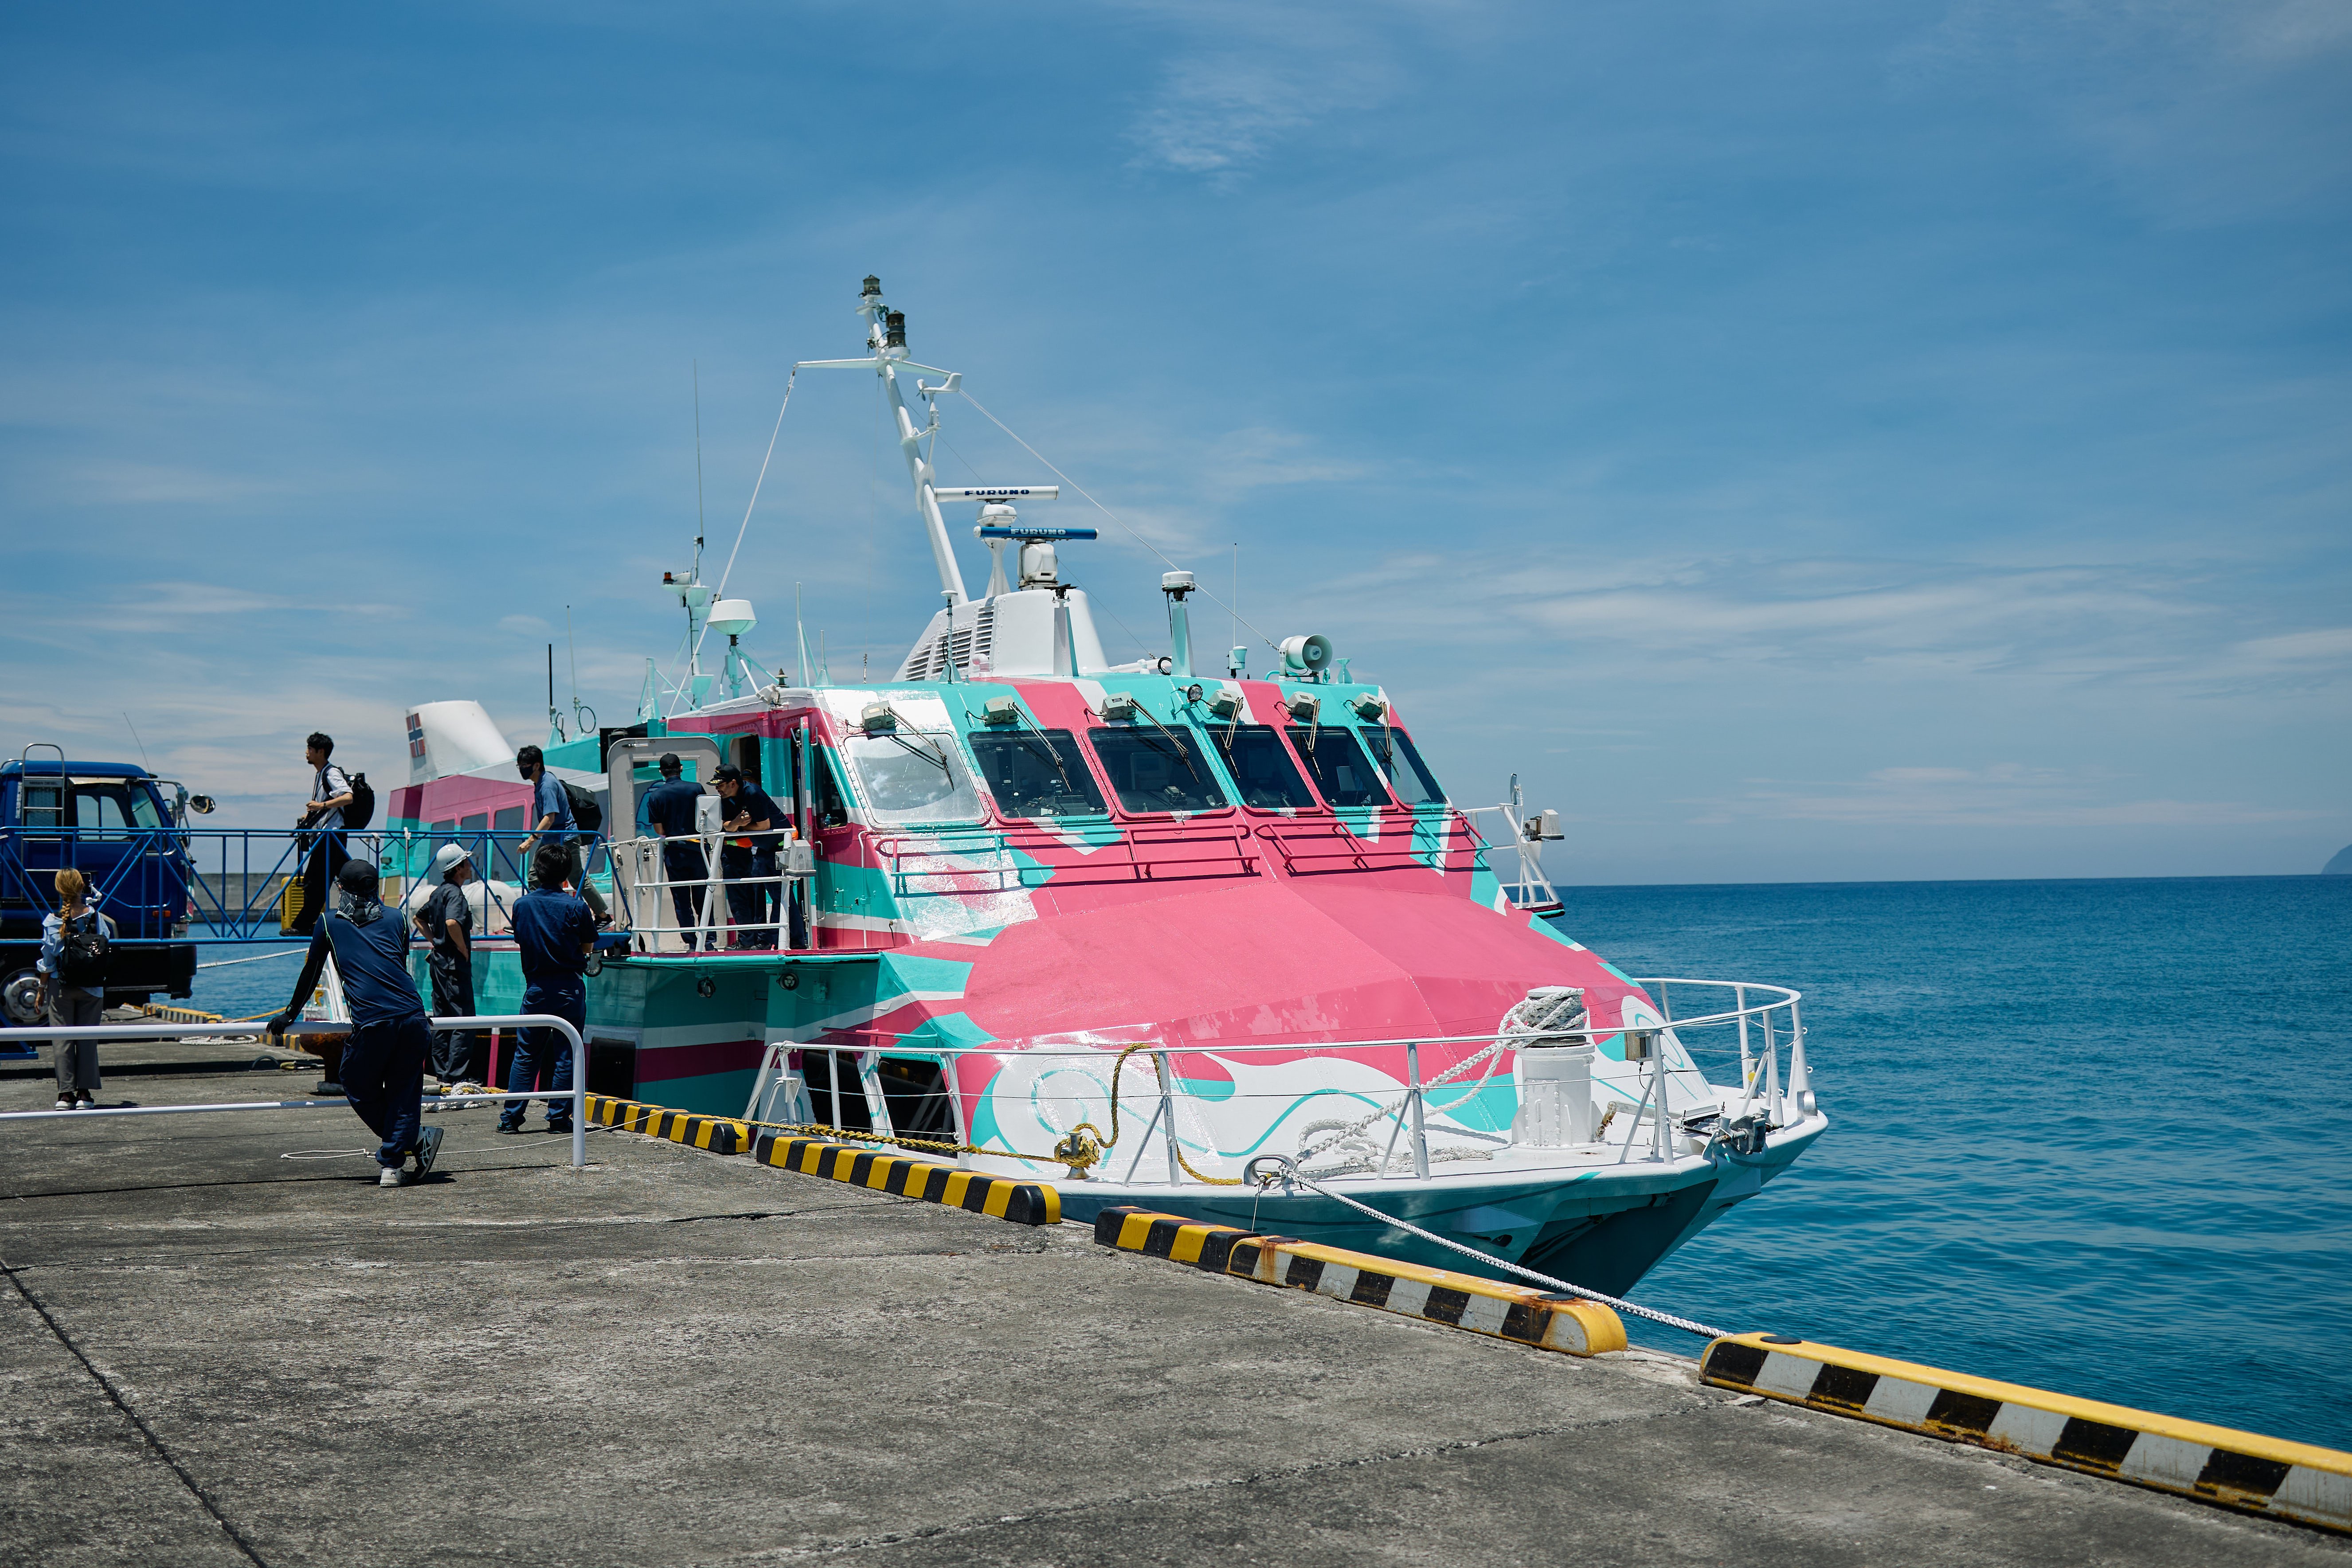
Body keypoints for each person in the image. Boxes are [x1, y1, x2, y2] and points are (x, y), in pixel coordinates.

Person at [271, 861, 443, 1188]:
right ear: (375, 886)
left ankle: (407, 1142)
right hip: (412, 1015)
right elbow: (397, 963)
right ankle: (393, 1163)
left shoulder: (328, 922)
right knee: (403, 1091)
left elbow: (311, 971)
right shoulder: (397, 917)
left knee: (354, 1080)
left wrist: (290, 1014)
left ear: (341, 887)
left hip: (374, 1020)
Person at [500, 843, 595, 1135]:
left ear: (537, 872)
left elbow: (522, 939)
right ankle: (558, 1118)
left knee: (527, 1054)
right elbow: (588, 945)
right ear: (566, 874)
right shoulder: (577, 906)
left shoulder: (522, 905)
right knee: (567, 1053)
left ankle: (511, 1118)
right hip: (569, 987)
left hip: (536, 988)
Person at [36, 868, 115, 1110]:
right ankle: (85, 1095)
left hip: (61, 987)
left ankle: (66, 1095)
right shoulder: (97, 917)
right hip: (92, 988)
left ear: (60, 890)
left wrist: (41, 987)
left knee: (62, 1041)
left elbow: (48, 960)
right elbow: (105, 942)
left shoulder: (52, 921)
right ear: (82, 888)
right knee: (88, 1041)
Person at [415, 843, 485, 1091]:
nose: (470, 866)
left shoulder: (437, 892)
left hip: (439, 963)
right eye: (466, 862)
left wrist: (435, 942)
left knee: (442, 1019)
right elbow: (453, 922)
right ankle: (456, 1076)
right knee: (464, 1020)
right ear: (458, 868)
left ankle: (442, 1074)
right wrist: (463, 949)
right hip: (454, 966)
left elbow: (418, 917)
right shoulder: (455, 894)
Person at [516, 744, 610, 926]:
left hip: (565, 839)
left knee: (574, 878)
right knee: (538, 878)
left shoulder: (547, 785)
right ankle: (539, 916)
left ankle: (603, 917)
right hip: (554, 838)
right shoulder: (542, 782)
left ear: (536, 765)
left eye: (524, 765)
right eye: (519, 765)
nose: (521, 769)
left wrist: (530, 840)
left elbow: (550, 817)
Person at [638, 753, 713, 950]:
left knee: (682, 901)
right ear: (681, 769)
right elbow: (707, 819)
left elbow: (660, 831)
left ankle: (691, 943)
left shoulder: (656, 796)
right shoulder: (696, 789)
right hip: (698, 850)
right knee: (703, 897)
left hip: (675, 854)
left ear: (662, 772)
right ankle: (710, 941)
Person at [712, 765, 783, 950]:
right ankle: (747, 941)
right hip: (737, 854)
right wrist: (735, 824)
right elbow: (724, 825)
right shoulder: (725, 799)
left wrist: (737, 827)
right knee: (739, 901)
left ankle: (760, 940)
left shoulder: (751, 793)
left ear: (733, 783)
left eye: (720, 785)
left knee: (757, 899)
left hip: (757, 851)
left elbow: (763, 826)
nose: (717, 789)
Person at [292, 731, 353, 936]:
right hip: (327, 836)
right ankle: (360, 917)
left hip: (332, 836)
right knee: (341, 880)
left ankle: (303, 925)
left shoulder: (331, 773)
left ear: (321, 752)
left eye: (310, 749)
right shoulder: (321, 774)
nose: (306, 753)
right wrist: (312, 813)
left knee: (315, 881)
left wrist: (321, 805)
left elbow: (347, 797)